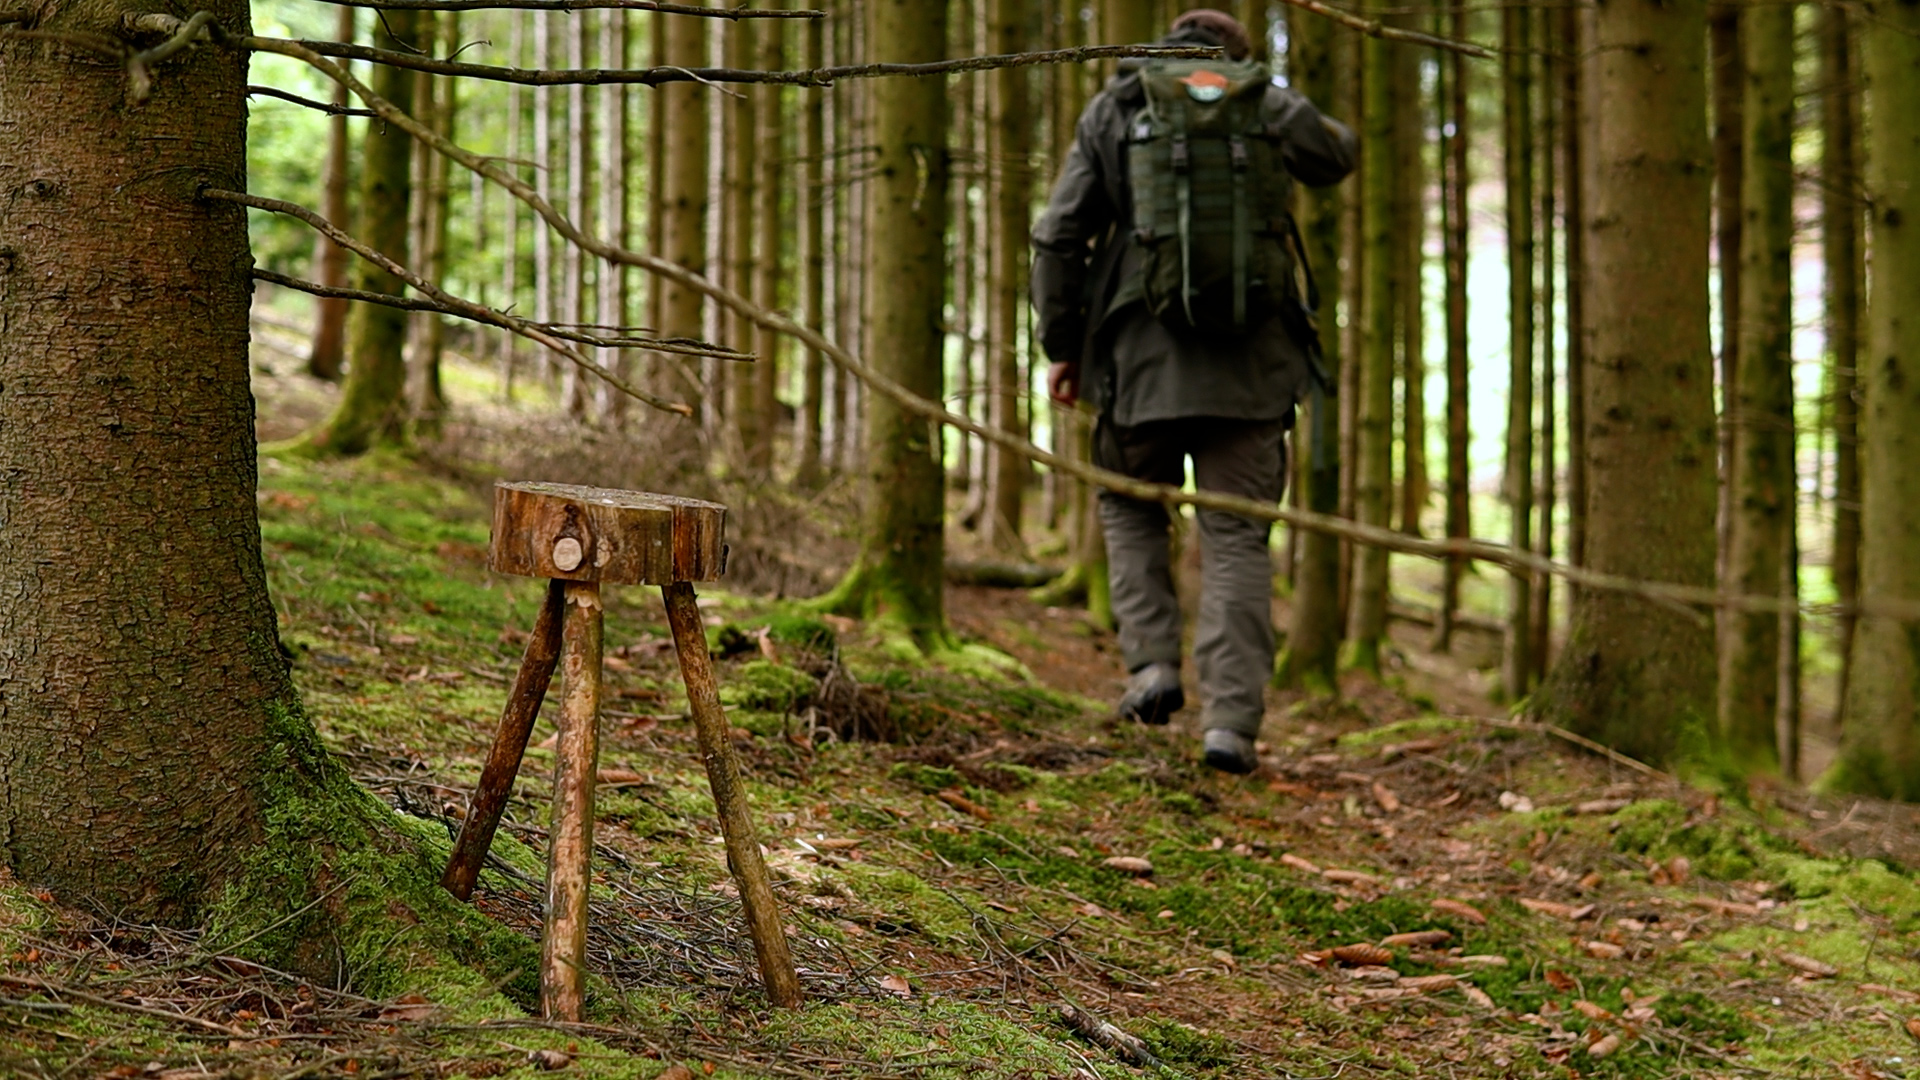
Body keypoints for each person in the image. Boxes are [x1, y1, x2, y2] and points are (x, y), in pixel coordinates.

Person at [1031, 9, 1357, 774]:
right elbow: (1337, 155)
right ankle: (1232, 726)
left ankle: (1151, 668)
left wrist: (1061, 346)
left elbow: (1057, 234)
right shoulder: (1266, 105)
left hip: (1136, 359)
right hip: (1252, 366)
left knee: (1129, 505)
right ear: (1238, 57)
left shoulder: (1118, 106)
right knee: (1237, 538)